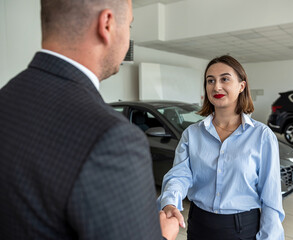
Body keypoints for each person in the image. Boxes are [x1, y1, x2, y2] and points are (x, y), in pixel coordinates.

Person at [0, 0, 179, 239]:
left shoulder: (8, 97)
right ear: (106, 24)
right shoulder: (114, 138)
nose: (127, 39)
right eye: (129, 26)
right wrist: (163, 235)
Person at [157, 55, 285, 240]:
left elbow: (271, 198)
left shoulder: (262, 136)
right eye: (210, 81)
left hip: (242, 228)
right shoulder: (192, 134)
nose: (216, 86)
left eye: (225, 79)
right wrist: (170, 203)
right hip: (199, 224)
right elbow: (179, 175)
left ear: (241, 86)